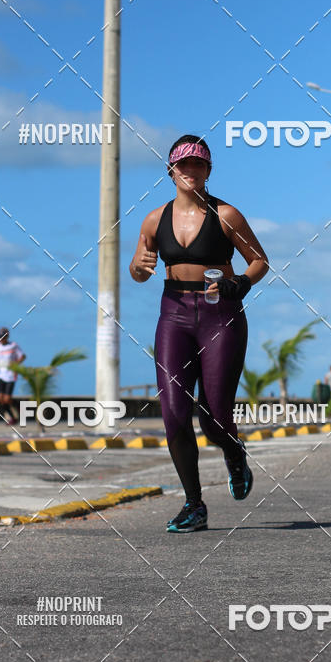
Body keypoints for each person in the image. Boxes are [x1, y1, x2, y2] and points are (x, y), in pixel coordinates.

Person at [130, 135, 269, 533]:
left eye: (199, 165)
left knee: (215, 418)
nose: (191, 171)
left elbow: (259, 260)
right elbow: (139, 271)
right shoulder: (154, 219)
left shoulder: (226, 216)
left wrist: (239, 283)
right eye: (184, 165)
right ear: (171, 171)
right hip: (172, 314)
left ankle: (234, 453)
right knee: (173, 414)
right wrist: (138, 267)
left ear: (208, 171)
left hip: (219, 314)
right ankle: (194, 505)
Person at [0, 328, 26, 425]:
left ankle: (19, 408)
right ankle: (13, 418)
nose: (0, 339)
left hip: (11, 375)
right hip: (1, 375)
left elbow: (23, 356)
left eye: (2, 337)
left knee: (7, 399)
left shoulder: (13, 346)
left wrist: (15, 364)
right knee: (1, 398)